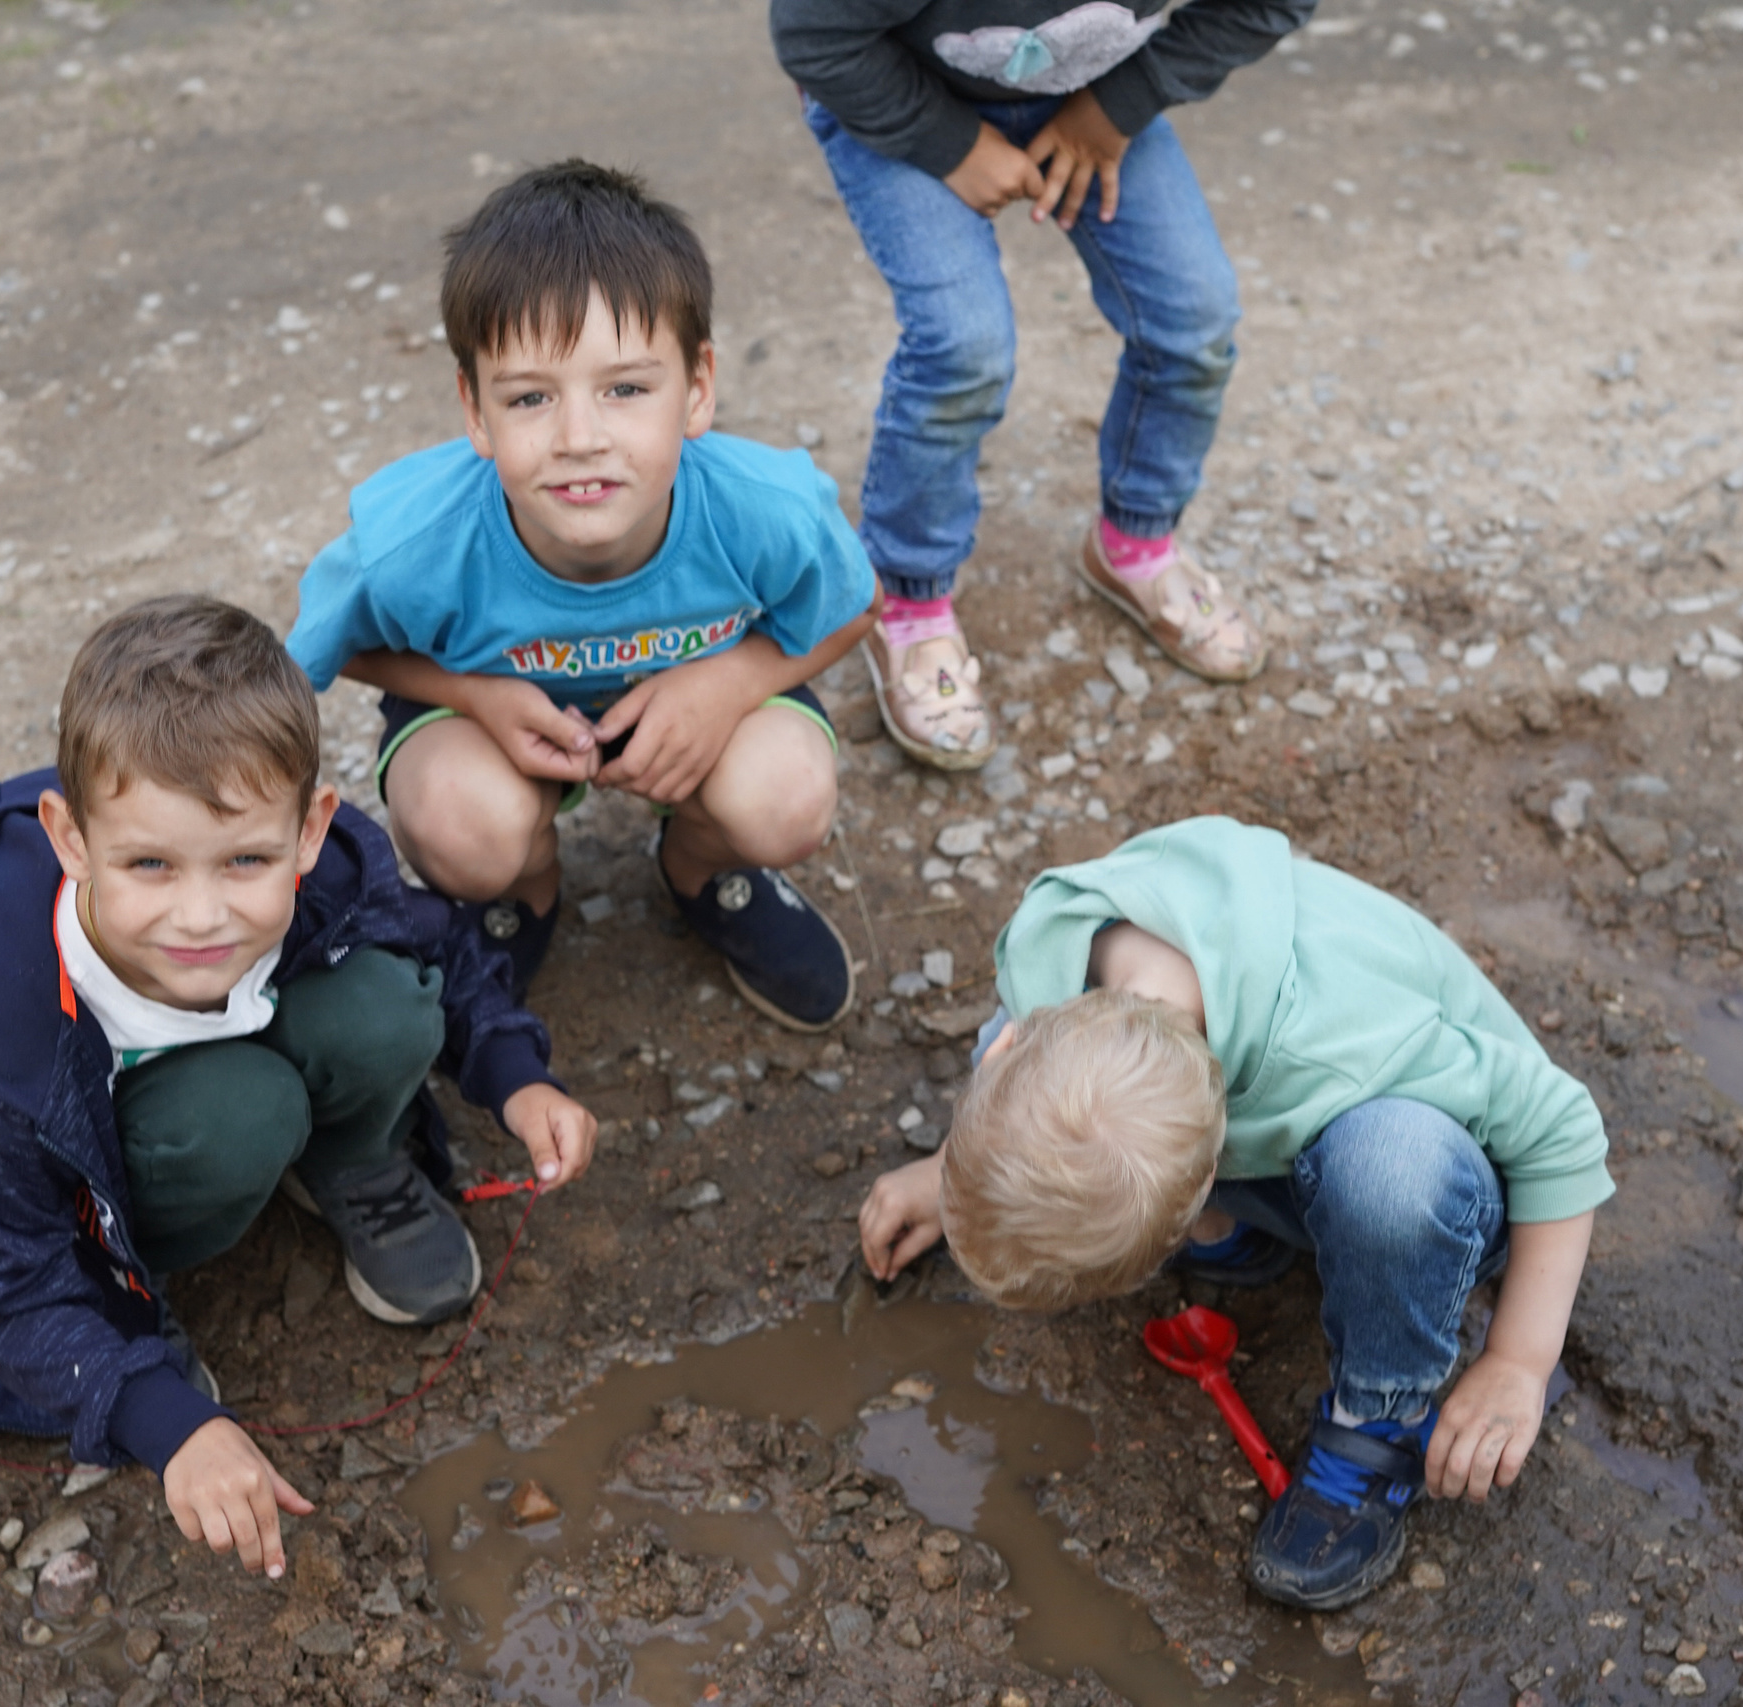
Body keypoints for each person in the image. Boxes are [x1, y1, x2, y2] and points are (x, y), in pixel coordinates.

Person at [0, 595, 597, 1579]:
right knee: (236, 1115)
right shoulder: (4, 998)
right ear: (68, 840)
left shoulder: (325, 872)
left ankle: (353, 1161)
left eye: (246, 861)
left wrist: (516, 1078)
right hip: (170, 1144)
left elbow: (441, 945)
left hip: (268, 1056)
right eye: (148, 864)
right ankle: (144, 1289)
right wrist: (158, 1415)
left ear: (310, 831)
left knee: (389, 1006)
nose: (201, 915)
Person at [855, 816, 1612, 1609]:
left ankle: (1377, 1417)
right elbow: (1021, 1090)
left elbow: (1565, 1132)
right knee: (1073, 1113)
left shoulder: (1341, 1041)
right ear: (1022, 1042)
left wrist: (1519, 1359)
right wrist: (953, 1177)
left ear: (1216, 1165)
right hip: (1261, 1122)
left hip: (1434, 1165)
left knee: (1391, 1179)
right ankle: (1241, 1236)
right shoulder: (1053, 938)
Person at [287, 160, 877, 1031]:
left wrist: (730, 684)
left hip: (712, 715)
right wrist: (472, 693)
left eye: (627, 389)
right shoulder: (412, 541)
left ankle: (705, 866)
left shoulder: (768, 510)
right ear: (475, 410)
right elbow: (328, 651)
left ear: (699, 387)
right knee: (461, 826)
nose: (579, 438)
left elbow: (854, 607)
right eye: (529, 397)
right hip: (491, 733)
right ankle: (522, 891)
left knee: (786, 793)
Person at [772, 0, 1303, 770]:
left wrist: (1117, 108)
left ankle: (1135, 543)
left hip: (1092, 93)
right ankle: (906, 598)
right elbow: (813, 35)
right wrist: (950, 146)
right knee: (964, 346)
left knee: (1192, 315)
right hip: (895, 93)